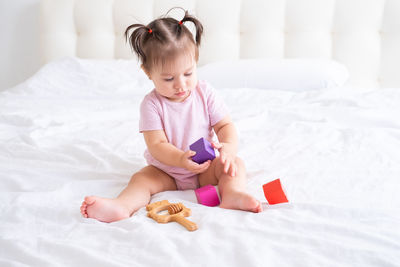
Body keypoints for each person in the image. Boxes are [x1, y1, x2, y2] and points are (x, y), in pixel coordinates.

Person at [80, 10, 262, 223]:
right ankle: (122, 206)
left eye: (188, 73)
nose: (181, 84)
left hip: (205, 169)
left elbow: (225, 126)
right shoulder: (152, 105)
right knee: (141, 179)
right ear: (148, 73)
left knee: (236, 165)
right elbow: (156, 144)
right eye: (168, 78)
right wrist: (180, 160)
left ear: (195, 62)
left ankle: (232, 194)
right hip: (167, 172)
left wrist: (228, 151)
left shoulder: (205, 93)